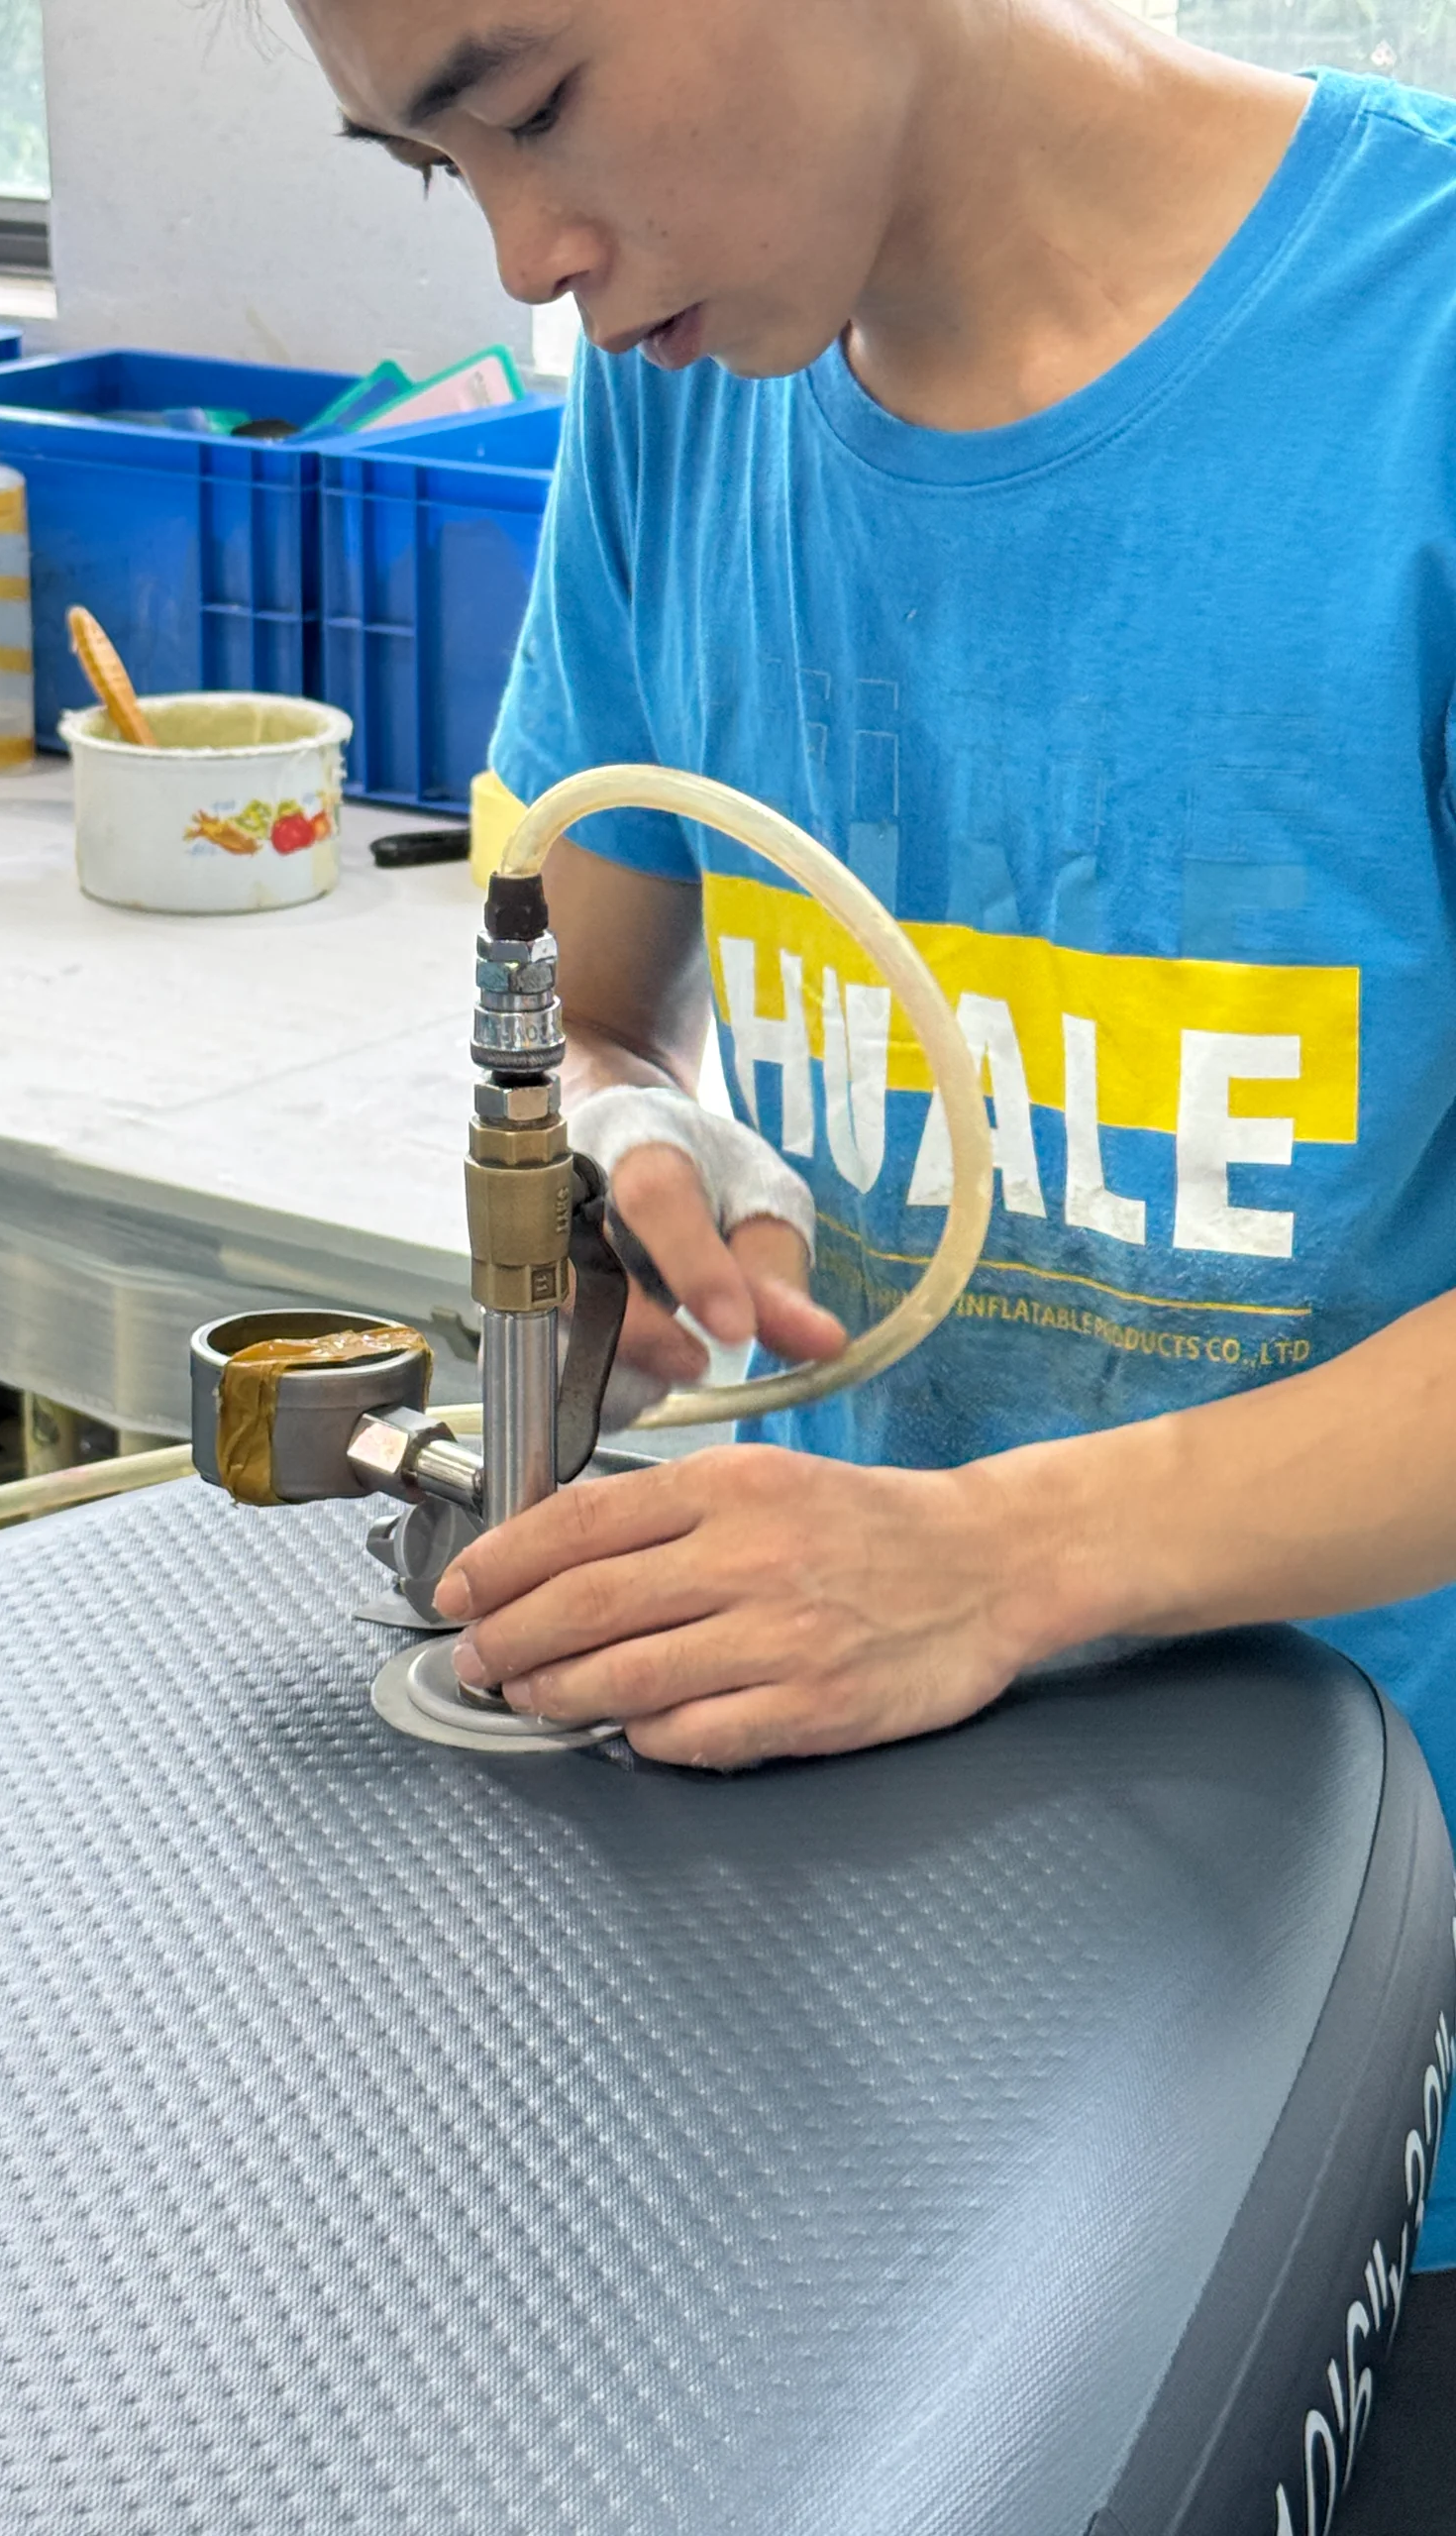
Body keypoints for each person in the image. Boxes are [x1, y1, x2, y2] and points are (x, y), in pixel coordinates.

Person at [296, 0, 1456, 2254]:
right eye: (435, 171)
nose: (528, 254)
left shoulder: (1413, 372)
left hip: (1372, 2016)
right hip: (888, 1962)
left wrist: (996, 1556)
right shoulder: (674, 393)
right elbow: (575, 986)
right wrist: (639, 1149)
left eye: (530, 106)